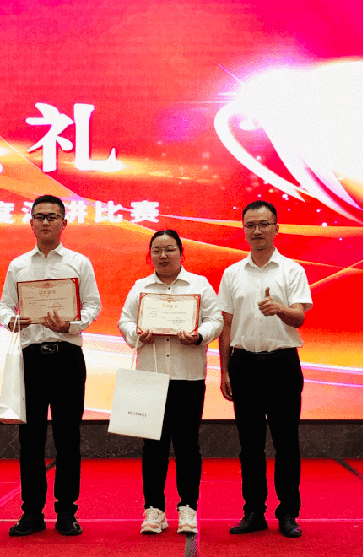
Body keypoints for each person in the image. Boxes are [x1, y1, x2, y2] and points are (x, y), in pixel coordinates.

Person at [0, 194, 102, 537]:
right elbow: (4, 307)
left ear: (64, 223)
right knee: (30, 439)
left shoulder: (78, 263)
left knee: (68, 438)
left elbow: (93, 306)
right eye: (39, 216)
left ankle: (66, 511)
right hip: (31, 359)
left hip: (67, 356)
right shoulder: (18, 265)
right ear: (31, 223)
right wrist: (15, 320)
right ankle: (31, 512)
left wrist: (70, 325)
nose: (45, 222)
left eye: (52, 216)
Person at [118, 229, 223, 536]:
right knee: (153, 446)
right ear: (150, 255)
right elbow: (124, 321)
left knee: (188, 446)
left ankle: (188, 508)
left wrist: (199, 335)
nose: (163, 255)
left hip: (188, 376)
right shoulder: (141, 287)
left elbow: (215, 320)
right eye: (157, 250)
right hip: (150, 376)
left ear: (181, 253)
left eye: (169, 249)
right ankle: (154, 510)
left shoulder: (199, 285)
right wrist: (137, 333)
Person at [218, 200, 312, 539]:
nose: (257, 231)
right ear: (244, 230)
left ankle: (288, 513)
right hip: (244, 364)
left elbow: (299, 317)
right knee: (250, 445)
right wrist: (224, 370)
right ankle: (254, 511)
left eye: (263, 224)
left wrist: (280, 309)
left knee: (286, 443)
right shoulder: (232, 273)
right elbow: (226, 325)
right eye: (250, 225)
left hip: (282, 363)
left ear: (276, 228)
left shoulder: (292, 270)